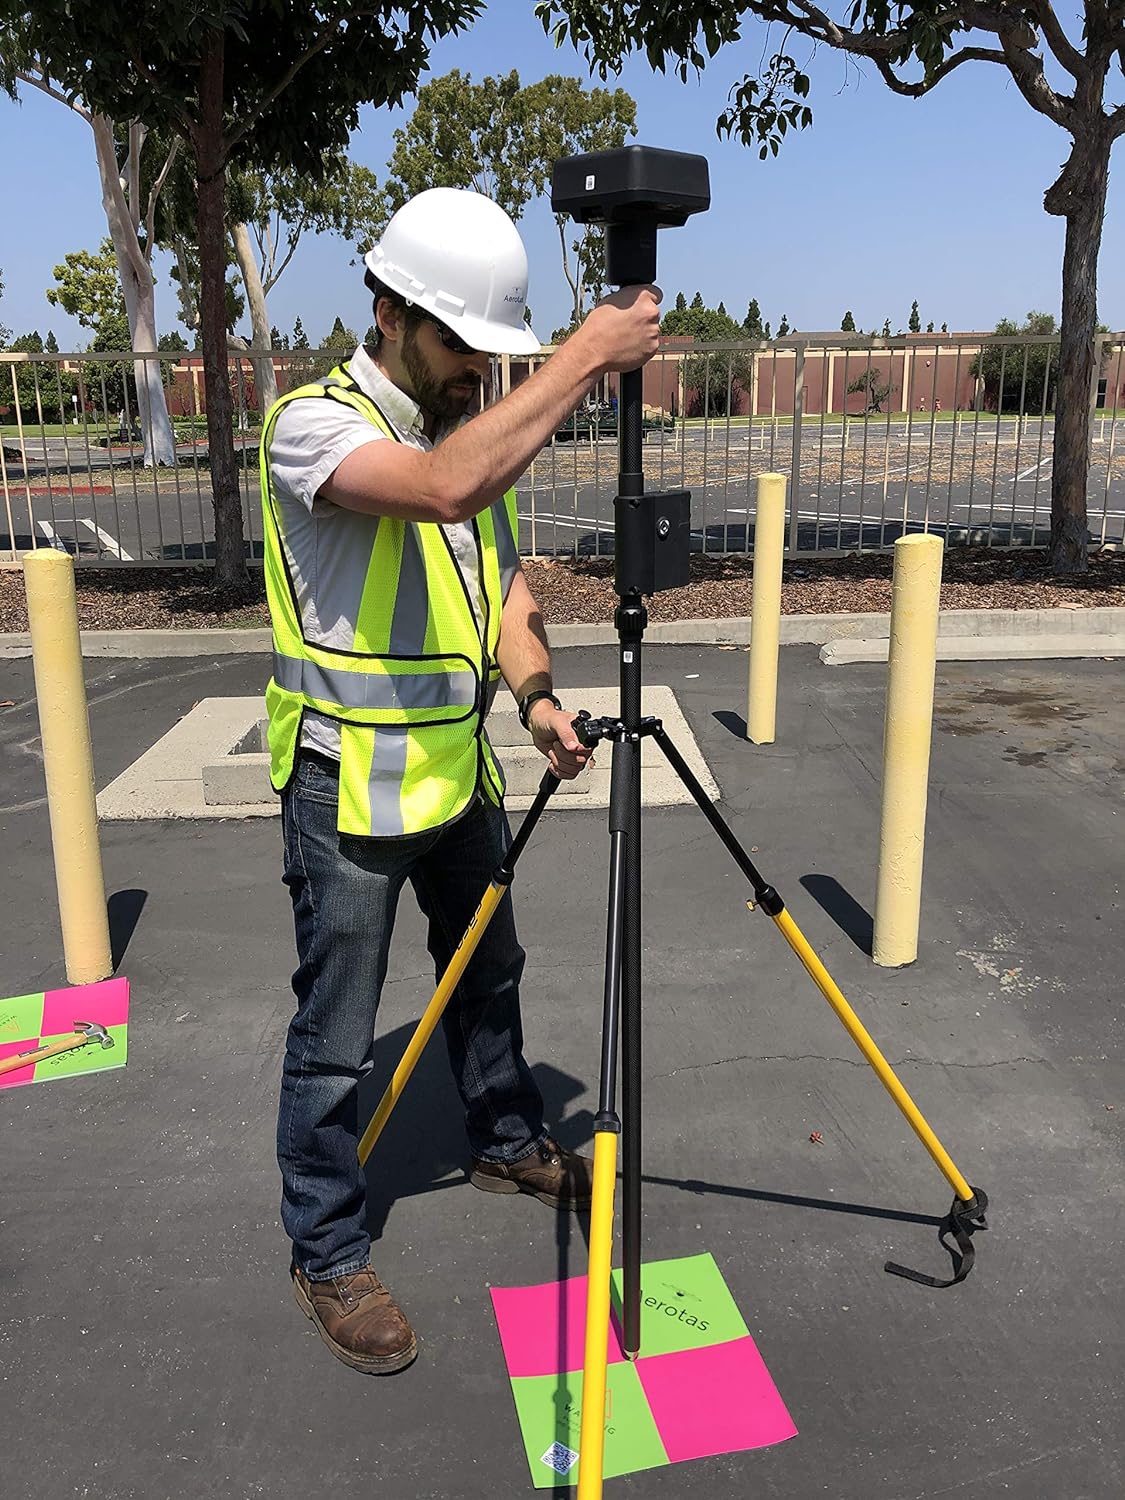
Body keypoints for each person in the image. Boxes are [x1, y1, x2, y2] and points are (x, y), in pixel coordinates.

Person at [259, 187, 662, 1377]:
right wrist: (587, 355)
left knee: (488, 973)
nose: (476, 370)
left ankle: (504, 1137)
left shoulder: (469, 439)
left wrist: (535, 699)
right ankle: (327, 1248)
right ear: (388, 312)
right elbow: (440, 489)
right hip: (346, 785)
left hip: (457, 770)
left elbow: (503, 586)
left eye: (492, 351)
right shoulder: (312, 427)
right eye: (458, 343)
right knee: (336, 1035)